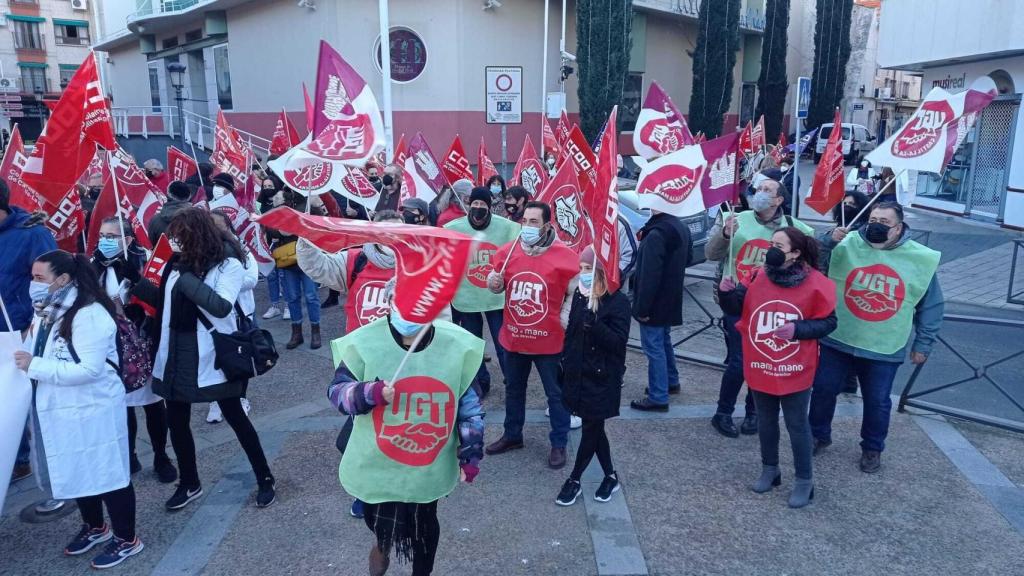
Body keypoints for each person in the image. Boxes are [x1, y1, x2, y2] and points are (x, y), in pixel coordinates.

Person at [327, 288, 484, 576]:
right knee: (383, 532)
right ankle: (382, 555)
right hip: (379, 464)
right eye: (402, 301)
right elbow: (338, 393)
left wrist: (471, 454)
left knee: (425, 528)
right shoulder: (364, 342)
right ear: (388, 303)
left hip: (427, 467)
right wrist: (370, 392)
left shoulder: (454, 345)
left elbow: (469, 406)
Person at [130, 208, 276, 510]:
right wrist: (134, 280)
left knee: (236, 417)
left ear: (195, 235)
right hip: (174, 351)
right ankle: (189, 482)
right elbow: (163, 302)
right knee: (177, 421)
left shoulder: (227, 264)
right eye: (170, 237)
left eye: (178, 236)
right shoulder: (175, 264)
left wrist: (185, 276)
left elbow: (220, 306)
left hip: (212, 354)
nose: (173, 242)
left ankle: (264, 477)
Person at [16, 250, 143, 568]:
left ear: (62, 279)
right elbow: (39, 350)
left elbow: (89, 370)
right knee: (77, 470)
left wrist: (36, 366)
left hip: (93, 408)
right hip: (62, 409)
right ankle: (95, 526)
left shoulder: (89, 314)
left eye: (39, 278)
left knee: (108, 472)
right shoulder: (46, 310)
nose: (34, 284)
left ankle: (127, 538)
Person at [809, 202, 943, 473]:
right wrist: (827, 240)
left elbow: (931, 306)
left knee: (877, 401)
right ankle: (817, 434)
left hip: (883, 345)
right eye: (872, 218)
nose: (876, 224)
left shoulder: (920, 258)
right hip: (839, 336)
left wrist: (923, 343)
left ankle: (872, 448)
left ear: (898, 228)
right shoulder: (846, 244)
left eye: (884, 221)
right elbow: (813, 262)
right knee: (823, 390)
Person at [718, 228, 837, 508]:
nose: (770, 249)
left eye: (778, 245)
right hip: (761, 361)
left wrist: (798, 329)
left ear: (795, 253)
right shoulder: (758, 275)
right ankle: (770, 469)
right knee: (766, 420)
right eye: (770, 243)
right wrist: (727, 294)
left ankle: (804, 481)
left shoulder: (817, 283)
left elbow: (829, 323)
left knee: (797, 425)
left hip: (794, 366)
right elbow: (738, 305)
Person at [703, 178, 815, 436]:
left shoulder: (797, 230)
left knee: (763, 360)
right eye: (758, 189)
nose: (759, 193)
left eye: (768, 190)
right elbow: (711, 253)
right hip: (738, 301)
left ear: (779, 200)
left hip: (774, 306)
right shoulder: (735, 218)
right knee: (740, 362)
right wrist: (725, 235)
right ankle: (723, 413)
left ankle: (754, 413)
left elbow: (810, 266)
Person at [485, 201, 578, 468]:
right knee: (513, 389)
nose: (526, 226)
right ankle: (512, 435)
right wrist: (493, 283)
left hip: (549, 341)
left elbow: (576, 293)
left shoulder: (566, 257)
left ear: (547, 225)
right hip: (514, 338)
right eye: (524, 221)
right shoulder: (508, 251)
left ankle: (559, 443)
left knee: (556, 394)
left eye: (533, 222)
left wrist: (565, 318)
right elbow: (496, 281)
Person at [91, 217, 178, 484]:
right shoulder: (92, 265)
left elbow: (160, 297)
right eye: (102, 235)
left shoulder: (147, 260)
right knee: (122, 404)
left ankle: (161, 456)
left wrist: (134, 277)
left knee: (152, 403)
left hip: (143, 341)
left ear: (127, 239)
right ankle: (129, 453)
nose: (104, 241)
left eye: (111, 236)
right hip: (112, 345)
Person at [555, 246, 631, 506]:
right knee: (594, 428)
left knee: (591, 427)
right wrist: (563, 360)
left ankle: (574, 479)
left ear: (601, 271)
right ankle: (610, 475)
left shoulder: (618, 301)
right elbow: (572, 333)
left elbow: (618, 343)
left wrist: (595, 325)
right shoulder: (580, 294)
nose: (582, 274)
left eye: (588, 269)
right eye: (581, 269)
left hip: (602, 378)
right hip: (577, 373)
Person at [1, 179, 57, 483]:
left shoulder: (32, 234)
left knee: (22, 400)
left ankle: (24, 459)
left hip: (18, 332)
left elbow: (54, 283)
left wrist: (34, 326)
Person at [444, 187, 521, 398]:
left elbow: (519, 247)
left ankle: (512, 383)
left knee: (503, 343)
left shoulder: (506, 227)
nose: (478, 208)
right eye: (474, 204)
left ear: (489, 207)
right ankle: (481, 382)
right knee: (473, 345)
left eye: (482, 205)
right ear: (469, 205)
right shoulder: (453, 227)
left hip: (495, 296)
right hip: (466, 297)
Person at [629, 208, 691, 412]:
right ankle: (670, 382)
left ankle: (658, 396)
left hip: (654, 302)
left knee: (654, 348)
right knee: (663, 342)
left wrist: (641, 308)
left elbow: (648, 274)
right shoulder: (679, 226)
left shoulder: (656, 233)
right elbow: (689, 258)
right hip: (671, 297)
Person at [206, 209, 257, 423]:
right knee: (214, 358)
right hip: (214, 318)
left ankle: (241, 398)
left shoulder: (240, 248)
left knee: (240, 358)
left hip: (240, 312)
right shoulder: (203, 251)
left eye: (218, 225)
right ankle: (215, 401)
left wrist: (228, 284)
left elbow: (252, 279)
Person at [265, 189, 323, 350]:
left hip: (307, 260)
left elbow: (319, 224)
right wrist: (279, 231)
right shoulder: (275, 213)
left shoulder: (306, 206)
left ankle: (315, 331)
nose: (274, 198)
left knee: (311, 296)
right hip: (288, 261)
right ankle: (296, 332)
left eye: (278, 196)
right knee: (292, 297)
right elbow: (269, 230)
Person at [147, 180, 193, 246]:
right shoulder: (198, 218)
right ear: (188, 197)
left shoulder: (155, 220)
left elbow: (152, 245)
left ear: (168, 195)